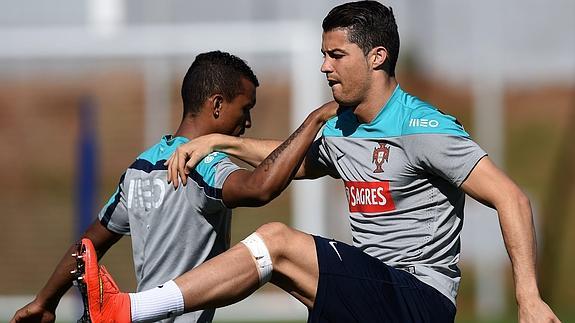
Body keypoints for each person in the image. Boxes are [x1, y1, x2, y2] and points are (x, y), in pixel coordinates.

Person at [69, 1, 561, 323]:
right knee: (277, 265)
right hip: (372, 288)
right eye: (323, 54)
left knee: (277, 243)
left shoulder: (423, 128)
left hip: (418, 300)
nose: (324, 66)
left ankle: (130, 310)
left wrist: (528, 296)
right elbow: (288, 160)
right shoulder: (343, 127)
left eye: (336, 54)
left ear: (376, 56)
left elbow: (511, 198)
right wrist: (221, 143)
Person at [10, 50, 337, 323]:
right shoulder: (200, 164)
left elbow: (87, 244)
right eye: (245, 109)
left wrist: (44, 302)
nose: (248, 122)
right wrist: (314, 121)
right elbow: (259, 188)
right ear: (218, 105)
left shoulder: (139, 169)